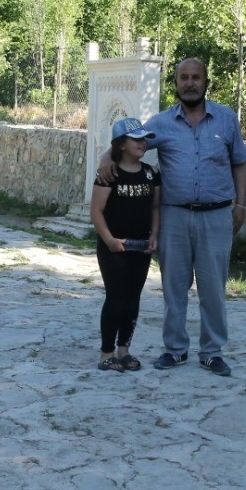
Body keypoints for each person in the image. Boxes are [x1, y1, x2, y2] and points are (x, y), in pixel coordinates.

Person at [101, 57, 246, 377]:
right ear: (177, 82)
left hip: (217, 215)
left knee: (213, 288)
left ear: (206, 81)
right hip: (174, 216)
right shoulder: (161, 123)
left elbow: (240, 162)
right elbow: (130, 141)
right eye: (184, 77)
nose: (190, 83)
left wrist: (241, 206)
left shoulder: (226, 118)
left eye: (196, 77)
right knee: (174, 287)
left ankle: (212, 351)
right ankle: (175, 349)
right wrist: (105, 156)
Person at [89, 117, 161, 371]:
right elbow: (96, 211)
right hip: (114, 247)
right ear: (120, 144)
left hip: (141, 246)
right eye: (136, 139)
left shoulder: (152, 173)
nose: (143, 143)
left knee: (133, 298)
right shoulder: (110, 174)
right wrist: (108, 239)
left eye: (144, 139)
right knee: (116, 297)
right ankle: (106, 353)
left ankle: (124, 350)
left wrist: (154, 234)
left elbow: (155, 206)